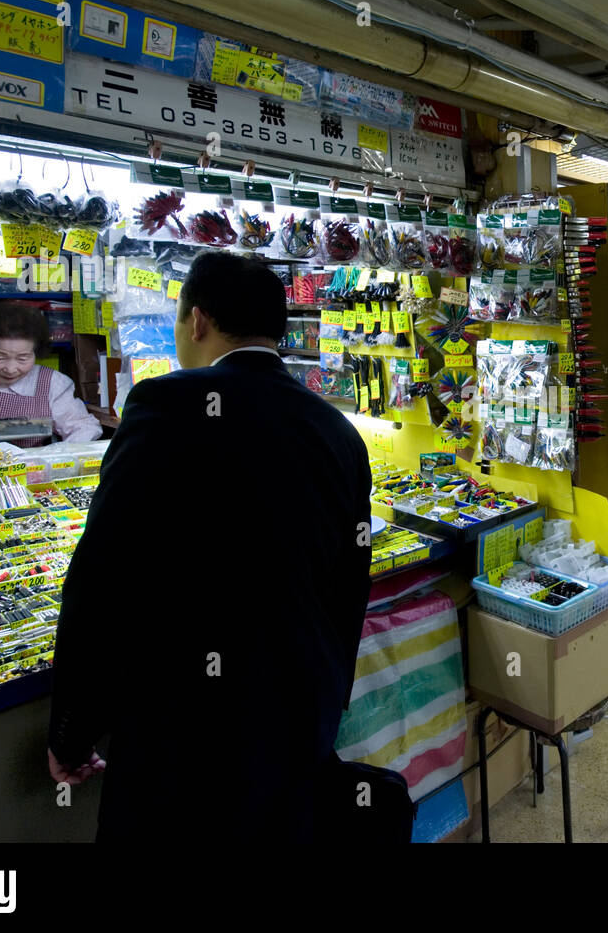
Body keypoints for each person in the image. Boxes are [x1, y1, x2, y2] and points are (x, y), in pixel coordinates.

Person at [46, 251, 373, 840]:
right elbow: (350, 584)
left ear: (195, 321)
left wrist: (72, 729)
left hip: (182, 735)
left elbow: (102, 581)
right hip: (296, 725)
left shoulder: (163, 407)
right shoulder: (338, 433)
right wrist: (326, 706)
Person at [0, 302, 102, 446]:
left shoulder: (52, 383)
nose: (11, 368)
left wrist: (56, 456)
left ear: (36, 352)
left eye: (22, 358)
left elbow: (84, 427)